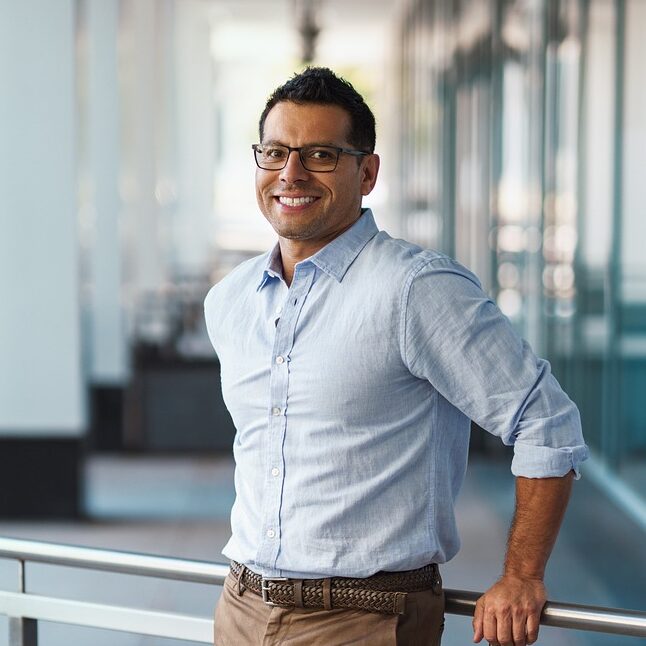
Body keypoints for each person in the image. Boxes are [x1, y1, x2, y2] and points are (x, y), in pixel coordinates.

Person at [204, 67, 588, 646]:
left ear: (368, 172)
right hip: (240, 606)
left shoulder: (417, 290)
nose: (291, 173)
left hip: (366, 619)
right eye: (275, 151)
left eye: (320, 155)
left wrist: (522, 575)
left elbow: (546, 421)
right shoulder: (229, 300)